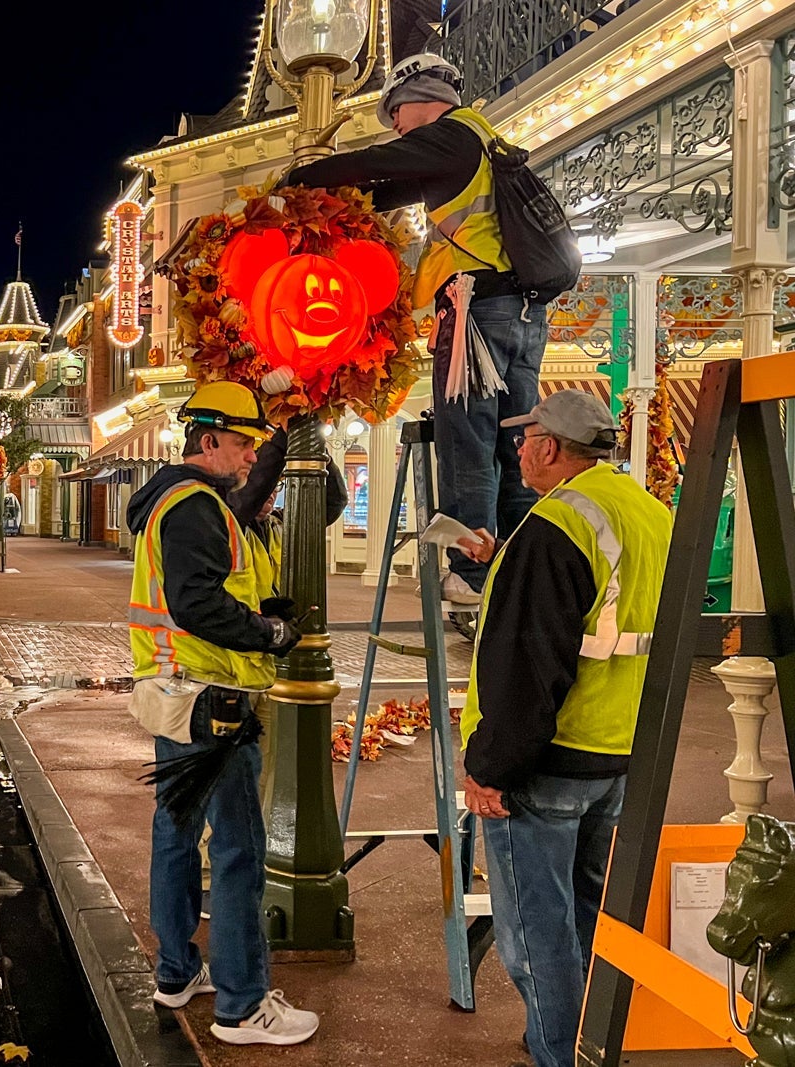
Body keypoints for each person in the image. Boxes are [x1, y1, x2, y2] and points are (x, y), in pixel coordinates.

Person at [455, 390, 672, 1067]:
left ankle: (558, 1054)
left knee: (536, 937)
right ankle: (587, 1044)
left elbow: (528, 664)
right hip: (619, 751)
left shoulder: (556, 524)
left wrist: (490, 768)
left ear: (550, 447)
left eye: (526, 439)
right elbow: (610, 612)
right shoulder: (649, 512)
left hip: (547, 763)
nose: (518, 450)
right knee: (590, 918)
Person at [288, 53, 546, 605]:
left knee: (467, 444)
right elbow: (389, 190)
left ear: (415, 100)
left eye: (396, 115)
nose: (397, 127)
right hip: (522, 314)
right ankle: (515, 570)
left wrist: (302, 177)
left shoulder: (450, 136)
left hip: (475, 312)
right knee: (514, 447)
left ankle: (471, 573)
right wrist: (340, 206)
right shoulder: (480, 143)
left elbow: (376, 163)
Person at [124, 381, 319, 1047]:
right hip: (214, 699)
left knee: (177, 834)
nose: (250, 456)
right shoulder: (196, 506)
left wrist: (264, 609)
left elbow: (206, 589)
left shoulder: (174, 499)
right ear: (209, 441)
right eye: (242, 443)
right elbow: (198, 602)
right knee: (239, 851)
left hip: (177, 694)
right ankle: (242, 1005)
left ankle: (177, 973)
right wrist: (269, 633)